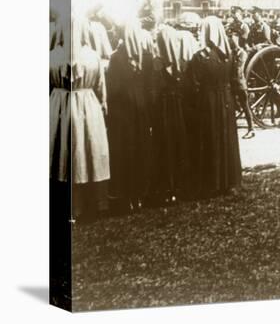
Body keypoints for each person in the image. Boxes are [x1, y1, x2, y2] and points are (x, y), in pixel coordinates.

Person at [50, 17, 110, 222]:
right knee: (86, 151)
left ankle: (63, 205)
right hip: (88, 105)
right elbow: (101, 85)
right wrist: (103, 102)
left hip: (59, 105)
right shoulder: (92, 56)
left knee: (63, 152)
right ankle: (88, 205)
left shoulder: (52, 55)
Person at [187, 16, 242, 199]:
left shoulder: (200, 57)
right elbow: (235, 80)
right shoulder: (229, 55)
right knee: (227, 138)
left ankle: (212, 182)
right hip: (226, 100)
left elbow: (192, 84)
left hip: (207, 100)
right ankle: (230, 181)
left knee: (210, 138)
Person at [106, 20, 153, 213]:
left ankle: (125, 196)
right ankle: (140, 194)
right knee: (141, 151)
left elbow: (112, 88)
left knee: (125, 153)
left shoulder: (117, 57)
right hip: (141, 111)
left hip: (123, 113)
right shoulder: (147, 56)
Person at [149, 25, 198, 205]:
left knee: (165, 147)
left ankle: (167, 187)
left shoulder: (157, 64)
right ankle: (181, 185)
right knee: (180, 145)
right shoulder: (183, 63)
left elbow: (153, 91)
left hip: (164, 111)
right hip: (179, 109)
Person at [228, 28, 255, 139]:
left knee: (245, 106)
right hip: (232, 84)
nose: (232, 41)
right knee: (232, 107)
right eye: (230, 39)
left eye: (234, 39)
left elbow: (238, 69)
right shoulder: (231, 53)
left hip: (239, 83)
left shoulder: (242, 53)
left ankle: (251, 129)